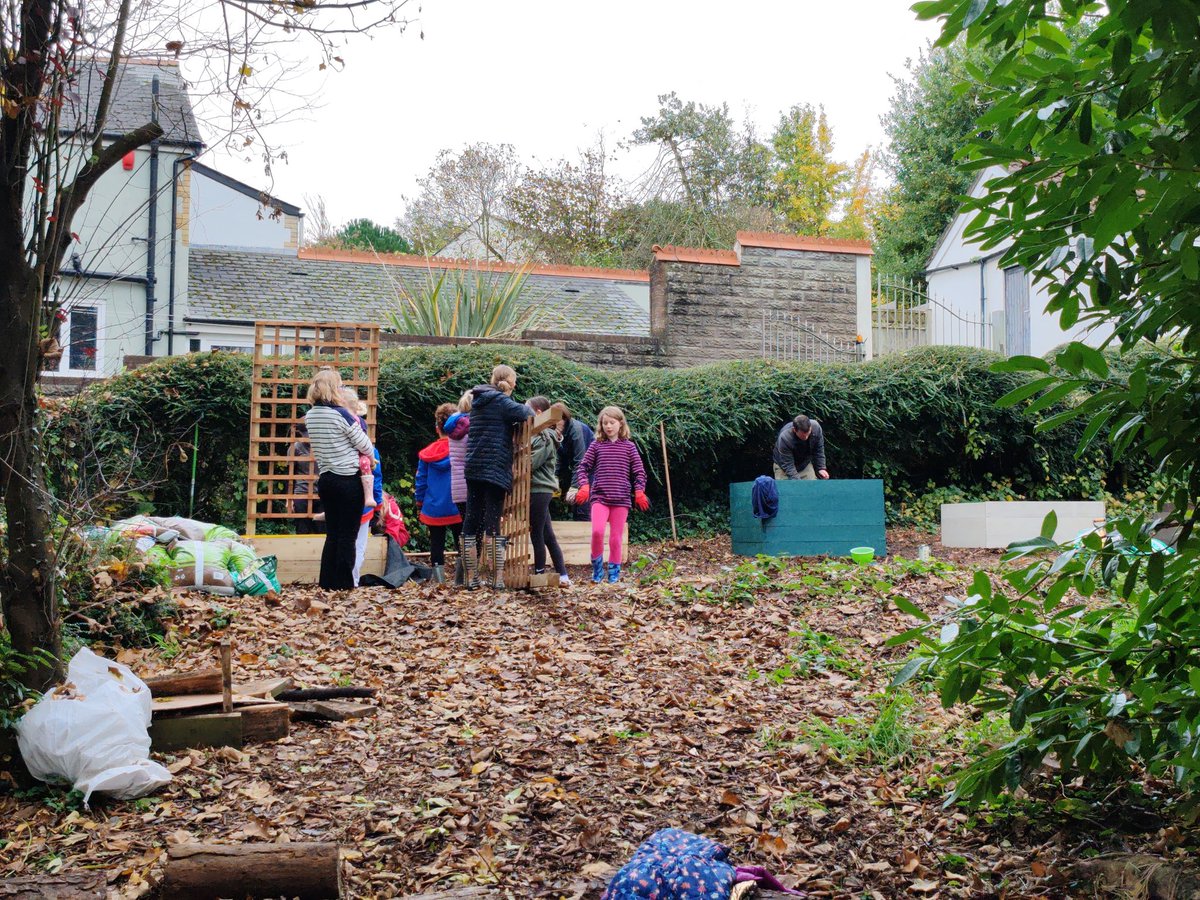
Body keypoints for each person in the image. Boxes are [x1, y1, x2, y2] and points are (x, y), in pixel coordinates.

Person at [463, 365, 533, 590]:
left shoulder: (478, 401)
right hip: (494, 467)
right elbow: (528, 414)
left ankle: (471, 578)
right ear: (510, 382)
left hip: (474, 466)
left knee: (471, 519)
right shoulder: (501, 401)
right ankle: (496, 578)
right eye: (515, 380)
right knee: (492, 521)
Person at [304, 368, 375, 590]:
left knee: (332, 534)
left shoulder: (311, 415)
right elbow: (365, 445)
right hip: (348, 481)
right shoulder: (341, 414)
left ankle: (327, 582)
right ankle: (344, 585)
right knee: (348, 536)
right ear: (334, 388)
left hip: (326, 480)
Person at [575, 405, 648, 584]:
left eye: (612, 422)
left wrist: (639, 491)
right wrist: (584, 486)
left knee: (616, 538)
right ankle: (597, 569)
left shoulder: (629, 447)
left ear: (620, 423)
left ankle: (614, 572)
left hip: (621, 499)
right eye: (605, 423)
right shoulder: (596, 445)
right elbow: (583, 467)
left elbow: (639, 472)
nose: (608, 426)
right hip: (600, 497)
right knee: (597, 532)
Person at [415, 403, 464, 584]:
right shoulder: (461, 449)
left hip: (434, 506)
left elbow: (421, 481)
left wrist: (420, 503)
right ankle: (461, 579)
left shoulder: (427, 454)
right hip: (458, 504)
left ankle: (439, 581)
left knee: (436, 543)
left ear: (437, 427)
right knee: (462, 541)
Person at [340, 388, 383, 587]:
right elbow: (377, 478)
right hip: (364, 505)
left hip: (344, 500)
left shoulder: (340, 450)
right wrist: (378, 503)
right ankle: (353, 579)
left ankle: (344, 578)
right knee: (359, 544)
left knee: (343, 540)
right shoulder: (371, 451)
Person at [528, 396, 571, 587]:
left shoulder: (545, 437)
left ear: (538, 413)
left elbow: (531, 463)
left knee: (536, 533)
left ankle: (539, 573)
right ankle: (563, 575)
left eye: (527, 409)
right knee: (547, 534)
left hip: (539, 489)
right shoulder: (540, 436)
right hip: (539, 489)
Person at [443, 391, 471, 584]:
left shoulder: (452, 428)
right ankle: (469, 575)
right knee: (474, 530)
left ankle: (461, 577)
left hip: (457, 485)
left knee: (465, 528)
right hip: (470, 483)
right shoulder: (471, 427)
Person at [553, 401, 594, 521]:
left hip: (592, 470)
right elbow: (559, 457)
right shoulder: (559, 432)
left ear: (565, 419)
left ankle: (586, 531)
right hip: (579, 470)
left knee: (583, 507)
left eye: (557, 420)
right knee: (575, 507)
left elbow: (580, 461)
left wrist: (575, 486)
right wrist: (554, 477)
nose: (554, 424)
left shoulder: (576, 430)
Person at [288, 424, 324, 534]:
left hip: (321, 493)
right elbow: (289, 475)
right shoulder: (295, 448)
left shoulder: (324, 448)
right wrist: (289, 498)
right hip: (301, 493)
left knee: (322, 530)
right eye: (305, 434)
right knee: (302, 529)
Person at [772, 414, 829, 481]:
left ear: (810, 427)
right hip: (783, 466)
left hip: (804, 464)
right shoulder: (785, 438)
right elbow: (788, 465)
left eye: (808, 434)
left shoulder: (816, 428)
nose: (806, 437)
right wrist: (798, 482)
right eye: (803, 435)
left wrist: (821, 468)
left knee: (812, 486)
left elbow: (819, 449)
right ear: (794, 430)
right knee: (789, 487)